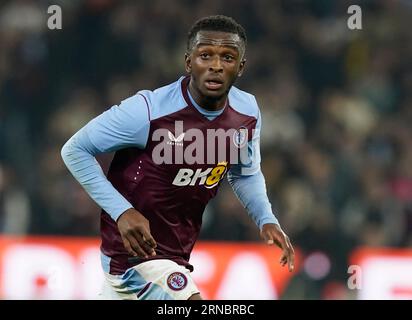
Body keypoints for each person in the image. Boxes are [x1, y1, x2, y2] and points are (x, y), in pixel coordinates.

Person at [61, 15, 294, 300]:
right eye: (205, 55)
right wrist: (121, 210)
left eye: (228, 58)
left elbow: (244, 172)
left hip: (176, 255)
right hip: (133, 258)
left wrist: (265, 218)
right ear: (188, 62)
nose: (216, 66)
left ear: (241, 67)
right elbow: (74, 150)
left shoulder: (247, 112)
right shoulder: (147, 110)